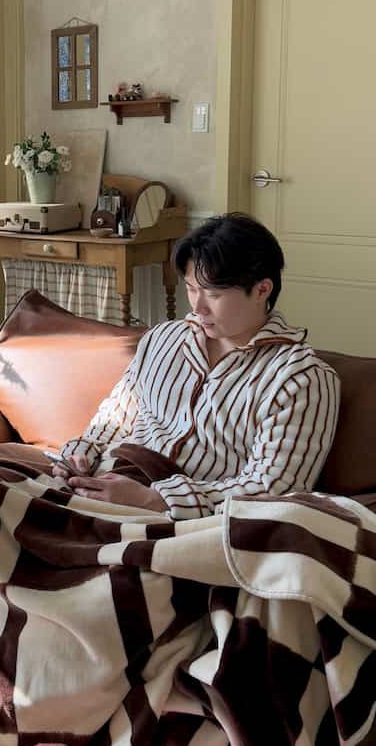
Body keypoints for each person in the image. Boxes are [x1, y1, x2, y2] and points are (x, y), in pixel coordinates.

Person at [53, 212, 341, 519]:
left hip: (185, 520)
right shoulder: (162, 339)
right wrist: (79, 455)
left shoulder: (300, 378)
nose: (197, 307)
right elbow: (112, 422)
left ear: (262, 290)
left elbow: (274, 488)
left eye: (214, 294)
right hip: (101, 485)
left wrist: (155, 499)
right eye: (191, 288)